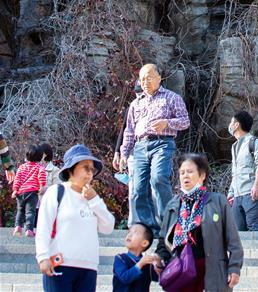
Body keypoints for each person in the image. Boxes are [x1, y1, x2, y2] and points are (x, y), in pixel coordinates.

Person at [156, 153, 243, 292]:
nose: (185, 176)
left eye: (190, 172)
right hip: (180, 271)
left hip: (210, 271)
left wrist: (234, 268)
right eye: (182, 172)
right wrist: (159, 257)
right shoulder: (173, 204)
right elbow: (163, 240)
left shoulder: (218, 201)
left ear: (202, 175)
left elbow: (232, 239)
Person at [120, 63, 190, 232]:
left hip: (163, 143)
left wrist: (167, 122)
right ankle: (146, 227)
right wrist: (124, 153)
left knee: (158, 179)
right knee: (137, 188)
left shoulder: (172, 98)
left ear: (159, 78)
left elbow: (185, 121)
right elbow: (129, 130)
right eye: (142, 78)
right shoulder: (135, 104)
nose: (145, 82)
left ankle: (168, 225)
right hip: (139, 146)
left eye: (149, 77)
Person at [36, 143, 115, 291]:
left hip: (88, 266)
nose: (90, 173)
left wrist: (95, 201)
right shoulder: (56, 192)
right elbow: (43, 227)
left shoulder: (92, 198)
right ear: (71, 169)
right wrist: (43, 257)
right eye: (85, 167)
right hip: (60, 263)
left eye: (92, 169)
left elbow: (108, 227)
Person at [226, 110, 258, 232]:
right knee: (238, 233)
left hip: (251, 193)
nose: (230, 125)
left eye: (231, 122)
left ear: (237, 124)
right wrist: (231, 193)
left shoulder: (255, 142)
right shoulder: (235, 146)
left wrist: (256, 185)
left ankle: (257, 252)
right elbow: (236, 172)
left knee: (254, 230)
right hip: (237, 195)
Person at [114, 82, 143, 225]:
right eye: (137, 93)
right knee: (134, 188)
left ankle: (151, 222)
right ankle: (134, 222)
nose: (139, 96)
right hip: (133, 152)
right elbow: (125, 130)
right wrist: (117, 152)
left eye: (141, 92)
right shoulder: (133, 106)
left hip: (151, 150)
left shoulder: (158, 104)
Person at [113, 223, 159, 292]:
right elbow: (125, 278)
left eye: (135, 233)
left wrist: (158, 263)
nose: (130, 235)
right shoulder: (120, 258)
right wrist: (140, 263)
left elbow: (160, 278)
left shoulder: (148, 265)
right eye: (129, 232)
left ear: (144, 243)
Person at [12, 145, 46, 236]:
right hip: (32, 193)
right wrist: (42, 186)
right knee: (30, 212)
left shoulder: (21, 167)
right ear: (39, 157)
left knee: (20, 210)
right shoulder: (39, 167)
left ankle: (18, 227)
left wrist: (15, 190)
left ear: (27, 156)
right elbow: (41, 177)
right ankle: (29, 230)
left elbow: (17, 179)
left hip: (20, 193)